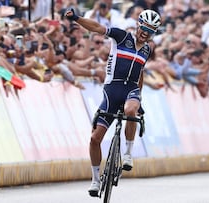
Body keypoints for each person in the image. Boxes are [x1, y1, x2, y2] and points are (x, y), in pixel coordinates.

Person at [65, 8, 161, 197]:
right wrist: (76, 18)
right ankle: (95, 179)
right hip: (112, 91)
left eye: (150, 31)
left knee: (131, 111)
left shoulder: (148, 49)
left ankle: (128, 154)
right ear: (138, 25)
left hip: (131, 90)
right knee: (94, 139)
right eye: (143, 28)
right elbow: (97, 27)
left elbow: (140, 73)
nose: (145, 33)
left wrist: (139, 97)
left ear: (153, 33)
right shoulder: (121, 36)